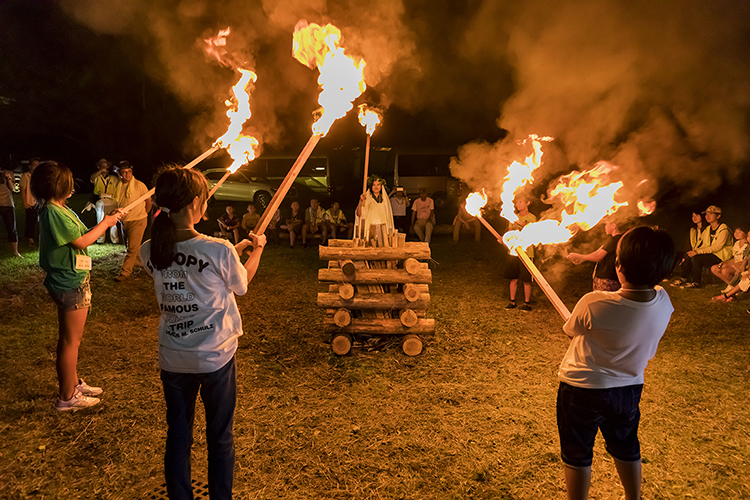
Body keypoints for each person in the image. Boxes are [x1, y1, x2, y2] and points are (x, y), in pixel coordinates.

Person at [139, 167, 265, 500]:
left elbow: (190, 266)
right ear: (197, 203)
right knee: (219, 437)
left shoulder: (149, 249)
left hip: (173, 356)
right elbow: (242, 284)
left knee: (178, 435)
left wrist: (231, 252)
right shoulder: (218, 249)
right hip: (214, 357)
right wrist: (258, 250)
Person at [557, 226, 675, 500]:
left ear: (618, 265)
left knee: (578, 452)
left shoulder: (594, 302)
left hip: (581, 390)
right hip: (628, 390)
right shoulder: (663, 300)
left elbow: (570, 330)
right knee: (626, 446)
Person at [31, 161, 123, 410]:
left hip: (71, 279)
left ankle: (73, 383)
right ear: (59, 186)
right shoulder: (53, 211)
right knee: (71, 341)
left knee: (71, 339)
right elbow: (82, 242)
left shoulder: (59, 208)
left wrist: (110, 219)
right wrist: (106, 224)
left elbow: (83, 234)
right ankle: (67, 397)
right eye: (69, 182)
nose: (73, 185)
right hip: (69, 282)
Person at [673, 205, 733, 288]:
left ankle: (696, 282)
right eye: (706, 214)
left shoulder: (723, 229)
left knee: (697, 258)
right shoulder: (708, 229)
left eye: (711, 214)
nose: (707, 216)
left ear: (718, 216)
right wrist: (694, 251)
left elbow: (717, 247)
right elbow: (704, 244)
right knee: (691, 255)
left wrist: (697, 252)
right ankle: (683, 278)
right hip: (712, 253)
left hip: (722, 255)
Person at [115, 161, 151, 282]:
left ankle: (125, 273)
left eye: (129, 172)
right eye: (124, 172)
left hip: (138, 220)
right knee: (132, 248)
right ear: (119, 174)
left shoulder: (139, 185)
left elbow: (148, 201)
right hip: (125, 222)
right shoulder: (118, 186)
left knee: (132, 248)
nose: (127, 175)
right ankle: (147, 267)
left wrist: (143, 214)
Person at [566, 219, 623, 291]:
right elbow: (597, 253)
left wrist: (578, 256)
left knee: (602, 302)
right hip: (607, 280)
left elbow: (597, 257)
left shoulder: (614, 240)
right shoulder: (616, 239)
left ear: (613, 226)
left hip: (607, 281)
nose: (605, 227)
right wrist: (582, 259)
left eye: (606, 224)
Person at [504, 194, 537, 311]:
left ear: (527, 203)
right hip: (514, 252)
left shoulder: (532, 217)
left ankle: (527, 303)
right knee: (513, 278)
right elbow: (509, 232)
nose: (518, 205)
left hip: (527, 253)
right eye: (516, 202)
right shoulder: (513, 217)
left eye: (521, 202)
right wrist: (504, 238)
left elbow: (532, 232)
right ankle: (512, 301)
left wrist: (520, 224)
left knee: (526, 279)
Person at [89, 158, 120, 244]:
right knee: (100, 220)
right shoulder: (97, 177)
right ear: (99, 166)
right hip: (101, 201)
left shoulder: (113, 178)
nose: (105, 167)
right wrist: (100, 171)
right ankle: (100, 239)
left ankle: (115, 240)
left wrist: (117, 172)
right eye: (102, 165)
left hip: (112, 201)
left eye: (106, 165)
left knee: (113, 221)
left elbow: (120, 182)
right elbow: (92, 179)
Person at [355, 175, 394, 241]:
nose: (376, 187)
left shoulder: (385, 200)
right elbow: (359, 214)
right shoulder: (366, 198)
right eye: (374, 185)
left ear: (381, 186)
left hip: (382, 231)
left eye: (378, 185)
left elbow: (388, 218)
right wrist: (360, 201)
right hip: (370, 231)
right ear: (371, 187)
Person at [711, 228, 748, 292]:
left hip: (743, 266)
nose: (736, 234)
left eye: (739, 232)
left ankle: (737, 287)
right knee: (714, 268)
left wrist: (731, 264)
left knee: (725, 270)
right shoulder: (736, 243)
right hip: (735, 264)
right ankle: (731, 285)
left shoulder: (747, 245)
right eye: (735, 232)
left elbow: (745, 260)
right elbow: (735, 258)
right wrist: (725, 262)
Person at [0, 164, 22, 257]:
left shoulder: (9, 173)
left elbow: (12, 189)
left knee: (12, 228)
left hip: (7, 204)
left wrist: (8, 178)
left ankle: (15, 251)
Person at [19, 157, 40, 245]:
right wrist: (25, 202)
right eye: (34, 165)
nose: (35, 167)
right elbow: (22, 190)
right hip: (30, 201)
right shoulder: (26, 176)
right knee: (30, 220)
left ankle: (38, 237)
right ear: (30, 166)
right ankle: (30, 238)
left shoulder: (40, 176)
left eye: (37, 165)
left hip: (39, 202)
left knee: (39, 220)